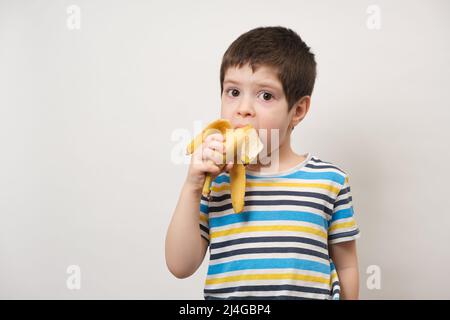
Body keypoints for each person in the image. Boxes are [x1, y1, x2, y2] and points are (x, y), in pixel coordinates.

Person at [165, 26, 360, 300]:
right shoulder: (214, 183)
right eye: (233, 92)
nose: (243, 108)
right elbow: (180, 266)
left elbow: (347, 265)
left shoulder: (329, 181)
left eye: (265, 96)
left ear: (298, 110)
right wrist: (191, 187)